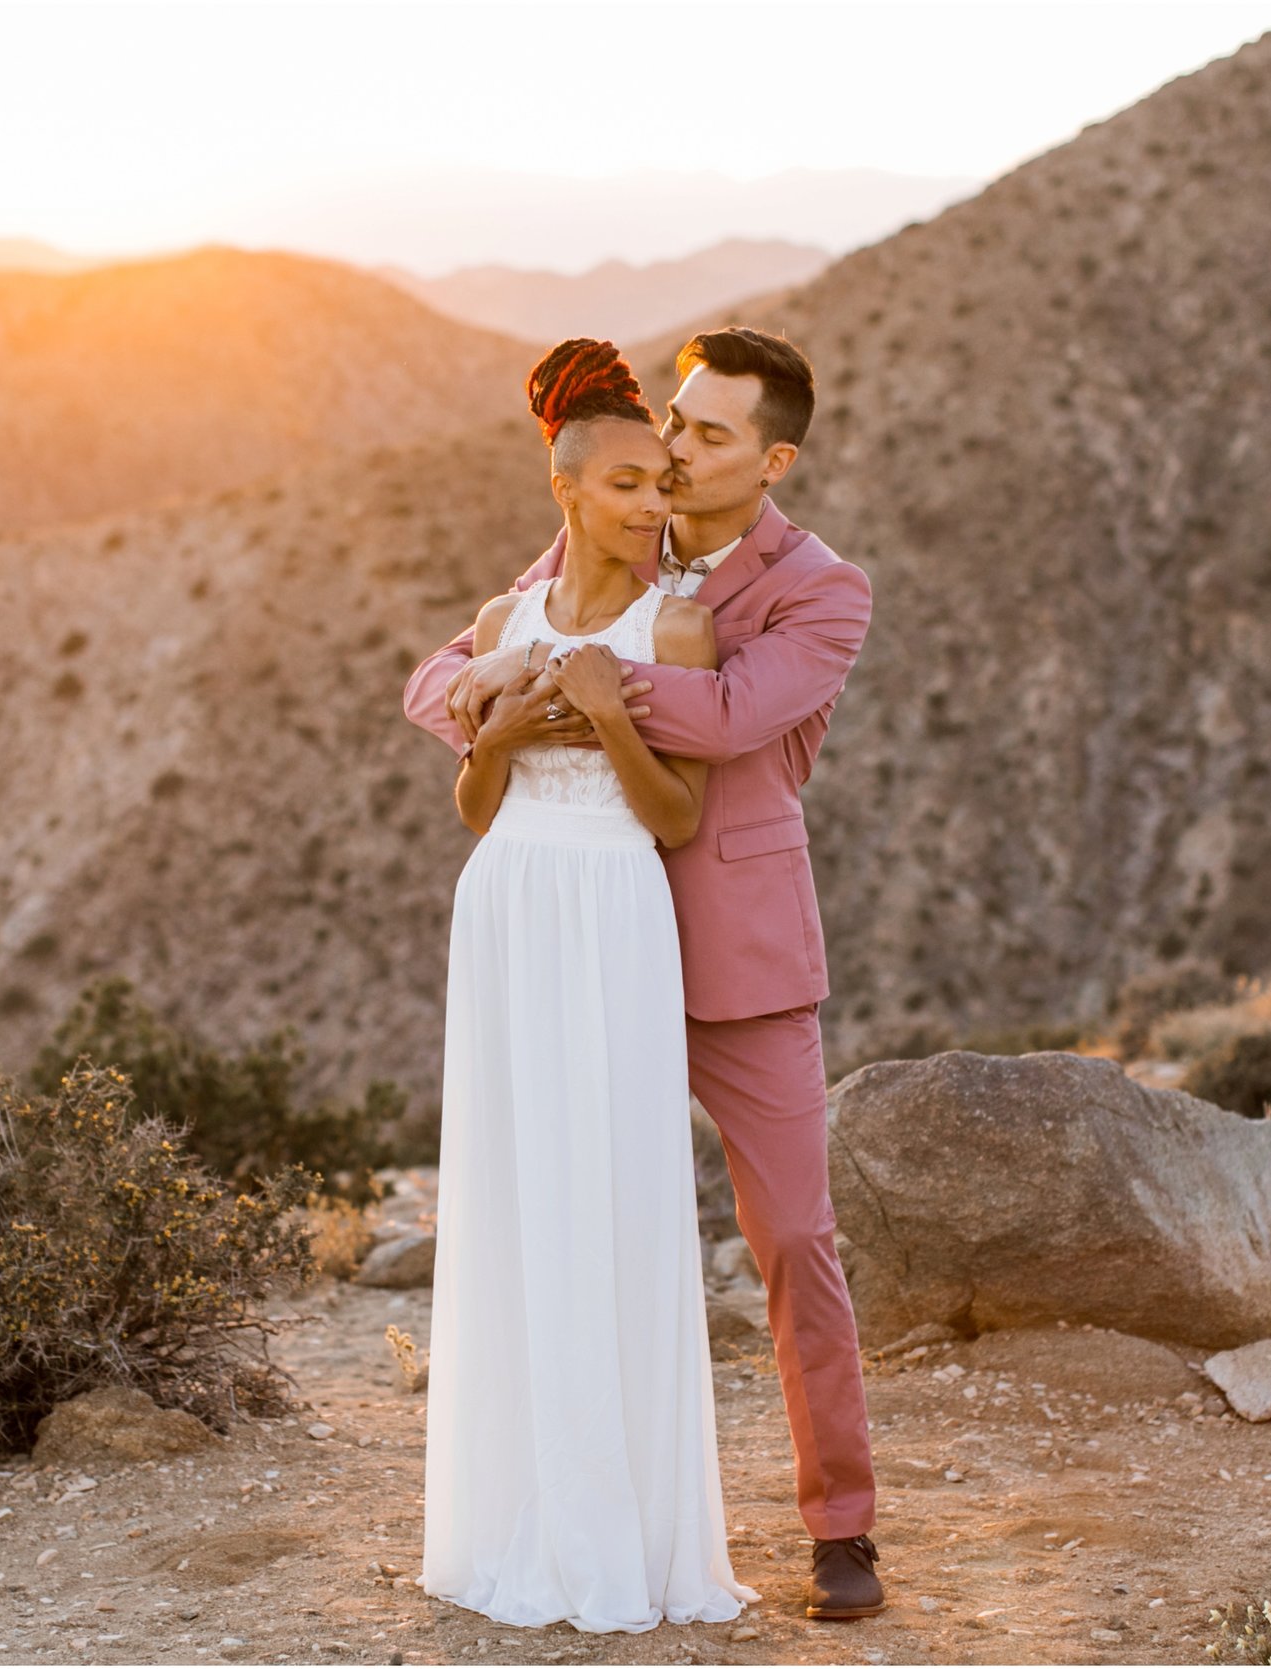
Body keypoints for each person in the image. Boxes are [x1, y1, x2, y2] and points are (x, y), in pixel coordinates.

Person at [403, 326, 885, 1621]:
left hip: (731, 945)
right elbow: (441, 673)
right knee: (566, 1219)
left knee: (790, 1234)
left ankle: (841, 1523)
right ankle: (577, 1504)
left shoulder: (824, 587)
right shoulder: (608, 530)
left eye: (709, 433)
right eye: (675, 420)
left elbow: (728, 717)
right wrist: (515, 681)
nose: (674, 447)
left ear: (772, 457)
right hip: (577, 937)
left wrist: (580, 684)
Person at [418, 337, 759, 1633]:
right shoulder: (501, 626)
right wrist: (493, 732)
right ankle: (517, 1517)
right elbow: (472, 801)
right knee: (515, 1190)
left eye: (659, 486)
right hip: (508, 897)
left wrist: (615, 710)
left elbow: (674, 818)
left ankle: (624, 1528)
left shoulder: (673, 623)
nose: (649, 506)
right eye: (624, 484)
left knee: (607, 1185)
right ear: (566, 490)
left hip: (616, 902)